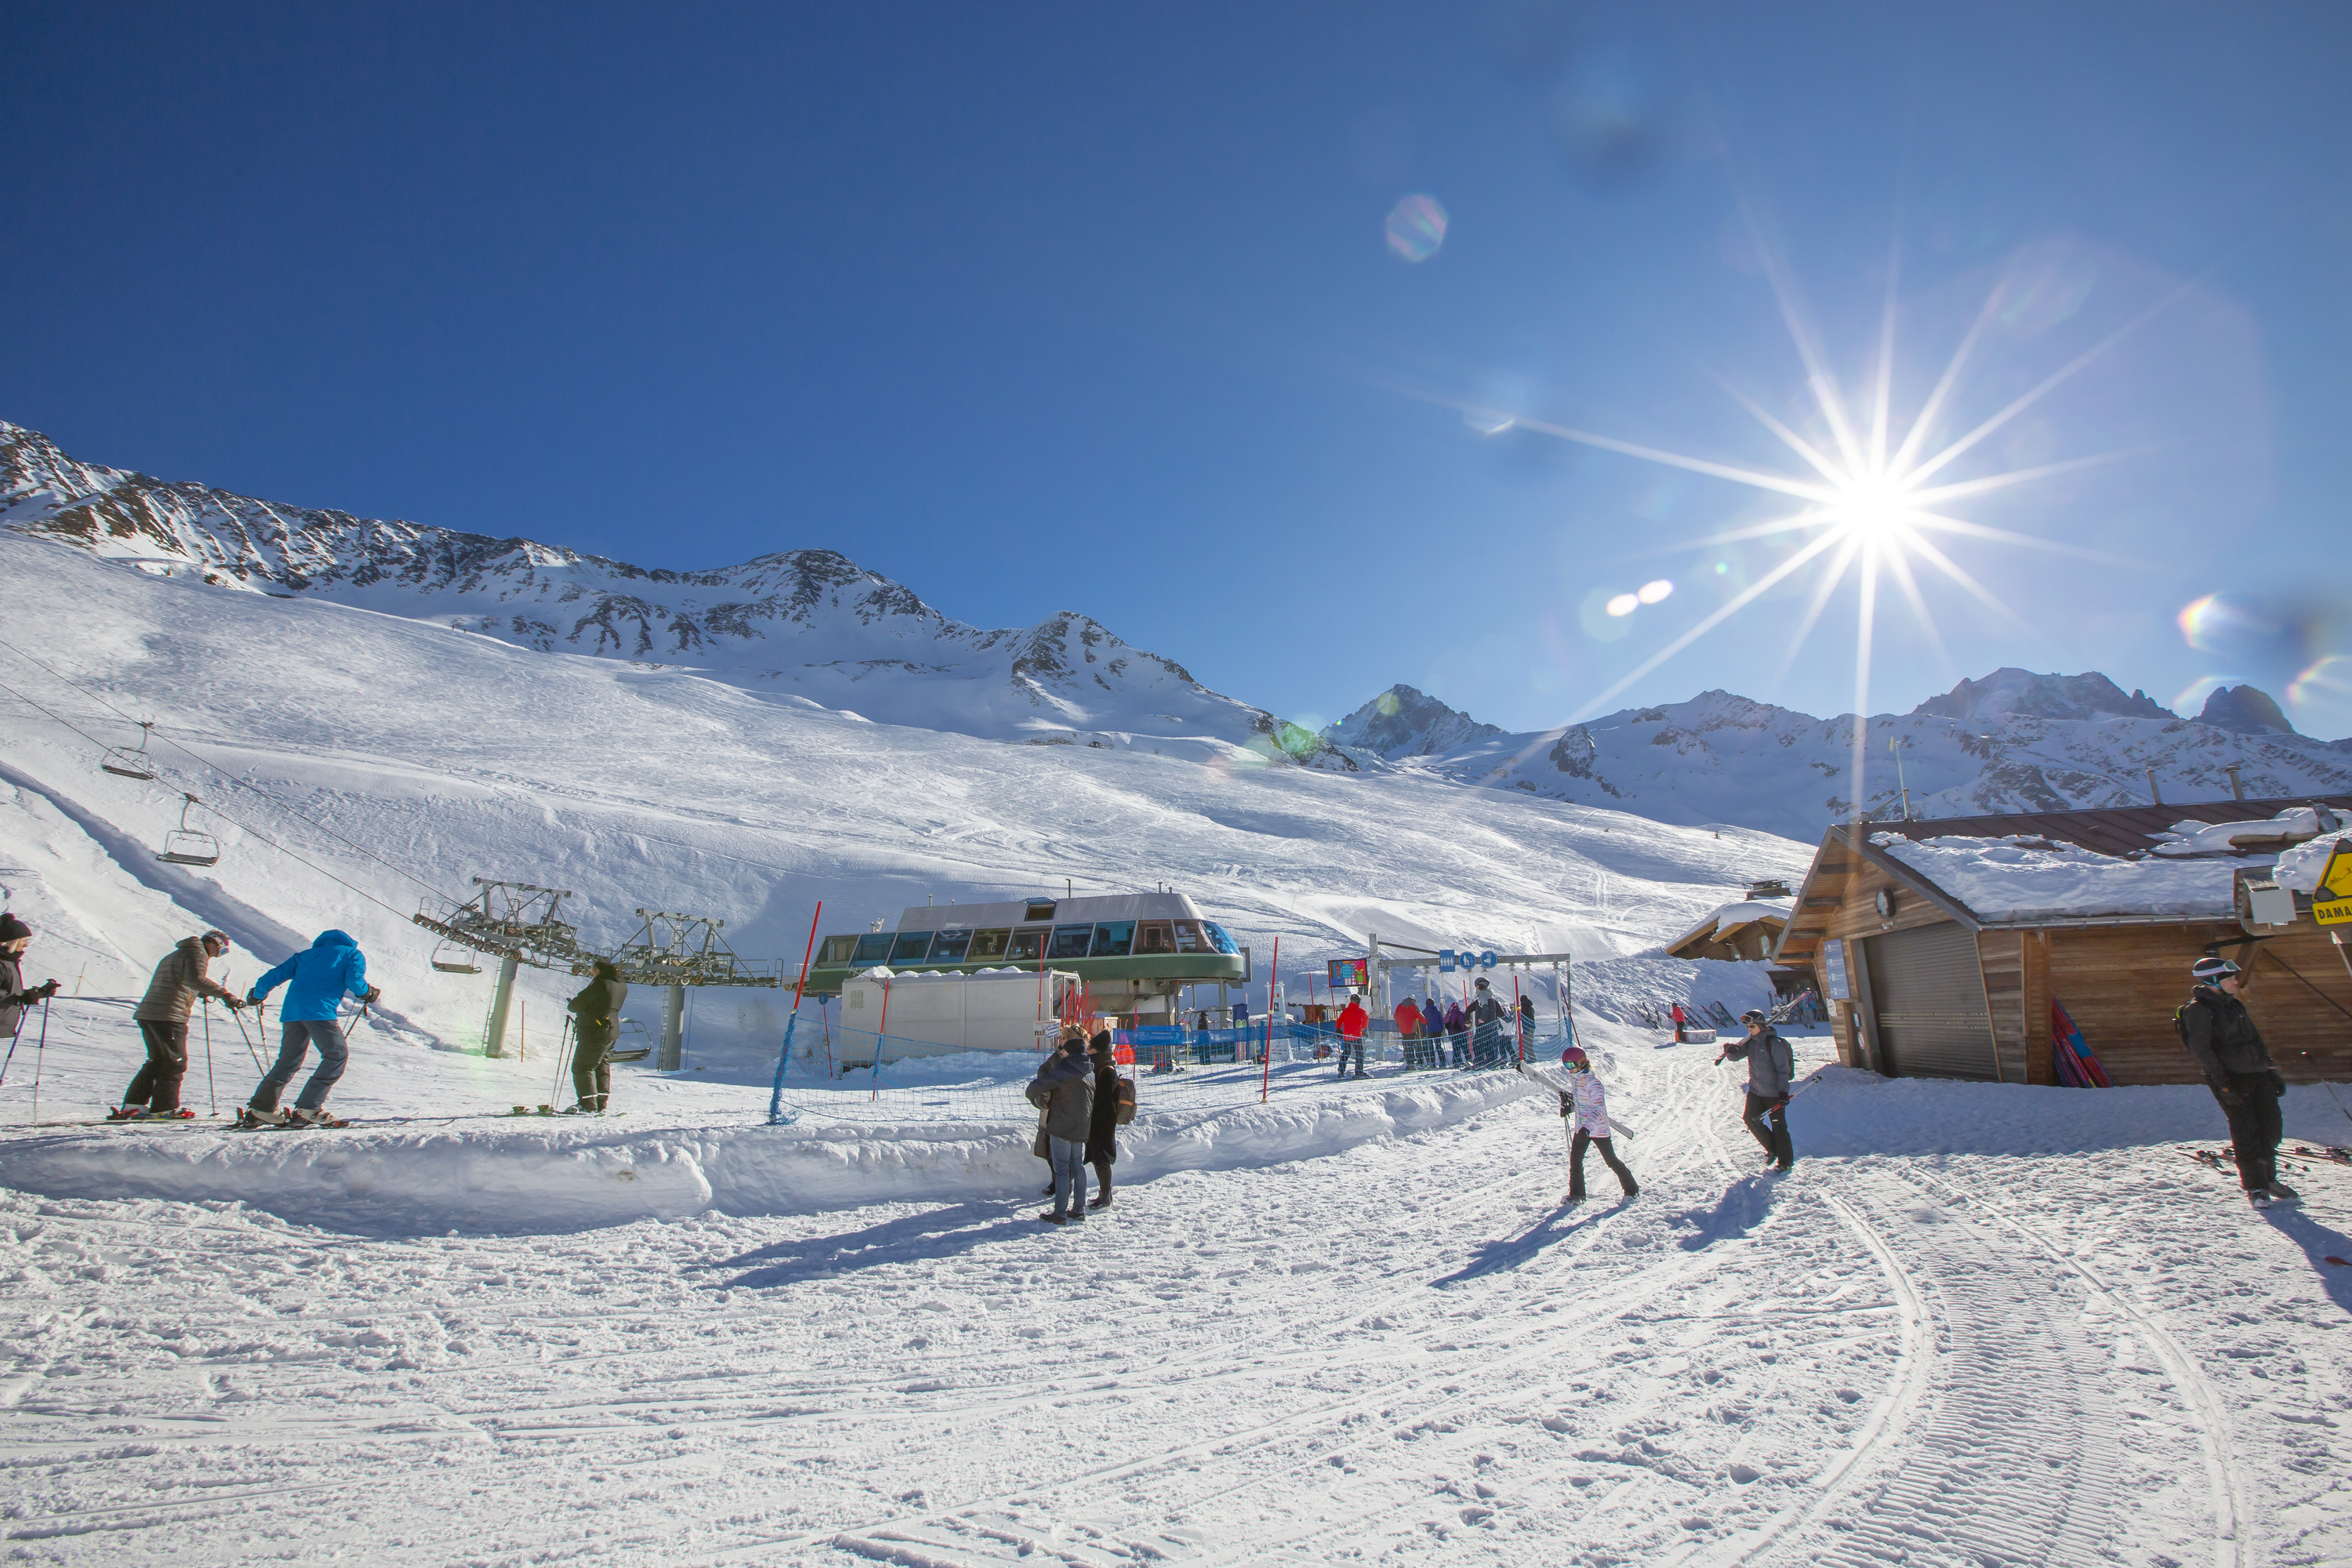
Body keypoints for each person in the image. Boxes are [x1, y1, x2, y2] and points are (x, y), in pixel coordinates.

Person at [2180, 956, 2295, 1205]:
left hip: (2258, 1075)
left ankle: (2268, 1178)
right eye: (2229, 977)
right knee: (2246, 1133)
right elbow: (2202, 1051)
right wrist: (2224, 1085)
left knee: (2272, 1129)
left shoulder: (2234, 1005)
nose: (2235, 980)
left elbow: (2256, 1041)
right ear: (2213, 981)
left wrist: (2270, 1070)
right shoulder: (2198, 1010)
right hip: (2232, 1079)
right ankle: (2256, 1188)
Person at [239, 930, 378, 1127]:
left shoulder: (304, 956)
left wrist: (258, 995)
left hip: (292, 1012)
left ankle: (262, 1108)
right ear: (349, 942)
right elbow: (355, 982)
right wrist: (368, 993)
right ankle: (309, 1108)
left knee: (288, 1061)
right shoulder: (351, 954)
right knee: (336, 1055)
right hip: (320, 1011)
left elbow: (271, 977)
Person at [112, 930, 244, 1120]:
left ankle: (134, 1105)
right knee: (175, 1062)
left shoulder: (180, 952)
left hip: (151, 1013)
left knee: (158, 1061)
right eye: (222, 951)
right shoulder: (197, 953)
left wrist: (198, 991)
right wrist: (224, 994)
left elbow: (180, 979)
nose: (217, 955)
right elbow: (195, 979)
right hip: (168, 1015)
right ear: (214, 943)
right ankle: (164, 1108)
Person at [1026, 1032, 1096, 1224]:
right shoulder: (1090, 1073)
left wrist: (1030, 1093)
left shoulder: (1065, 1069)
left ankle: (1059, 1213)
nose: (1061, 1053)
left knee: (1062, 1170)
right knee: (1078, 1167)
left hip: (1062, 1127)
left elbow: (1039, 1085)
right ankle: (1079, 1210)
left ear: (1071, 1052)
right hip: (1082, 1127)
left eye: (1064, 1050)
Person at [1557, 1046, 1638, 1202]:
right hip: (1581, 1129)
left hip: (1597, 1130)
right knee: (1575, 1162)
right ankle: (1577, 1195)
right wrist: (1570, 1108)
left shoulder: (1593, 1083)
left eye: (1571, 1066)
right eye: (1566, 1066)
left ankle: (1632, 1190)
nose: (1569, 1070)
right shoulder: (1576, 1080)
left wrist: (1587, 1128)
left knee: (1611, 1161)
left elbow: (1598, 1108)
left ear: (1581, 1063)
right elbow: (1582, 1104)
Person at [1720, 1008, 1795, 1171]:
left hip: (1774, 1093)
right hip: (1755, 1091)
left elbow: (1783, 1070)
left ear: (1761, 1025)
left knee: (1779, 1127)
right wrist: (1730, 1051)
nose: (1749, 1030)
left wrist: (1783, 1092)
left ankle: (1786, 1162)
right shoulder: (1751, 1042)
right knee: (1750, 1119)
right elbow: (1737, 1056)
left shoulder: (1774, 1044)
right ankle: (1773, 1149)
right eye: (1747, 1028)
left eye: (1752, 1027)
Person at [564, 960, 629, 1114]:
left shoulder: (600, 984)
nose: (591, 974)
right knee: (601, 1065)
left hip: (595, 1030)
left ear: (598, 970)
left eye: (592, 971)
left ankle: (587, 1104)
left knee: (582, 1066)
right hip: (611, 1030)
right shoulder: (621, 985)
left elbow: (577, 1005)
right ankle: (601, 1103)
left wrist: (575, 1003)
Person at [0, 916, 61, 1059]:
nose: (26, 945)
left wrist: (39, 993)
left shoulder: (9, 963)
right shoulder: (2, 964)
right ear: (11, 941)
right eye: (23, 941)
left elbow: (9, 993)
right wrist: (20, 999)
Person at [1086, 1032, 1122, 1209]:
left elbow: (1105, 1102)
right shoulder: (1102, 1067)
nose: (1088, 1051)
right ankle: (1104, 1194)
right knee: (1098, 1157)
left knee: (1102, 1159)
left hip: (1103, 1123)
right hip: (1099, 1121)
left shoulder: (1106, 1071)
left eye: (1091, 1048)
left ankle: (1106, 1196)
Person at [1468, 978, 1507, 1068]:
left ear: (1481, 985)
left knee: (1477, 1042)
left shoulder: (1483, 994)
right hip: (1491, 1024)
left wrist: (1483, 1018)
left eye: (1476, 984)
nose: (1476, 987)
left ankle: (1479, 1062)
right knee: (1489, 1043)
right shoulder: (1491, 995)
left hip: (1484, 1025)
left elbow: (1485, 1006)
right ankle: (1491, 1061)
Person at [1335, 993, 1369, 1078]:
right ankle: (1359, 1071)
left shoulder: (1346, 1011)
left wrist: (1338, 1029)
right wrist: (1361, 1029)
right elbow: (1365, 1022)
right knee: (1359, 1053)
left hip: (1347, 1036)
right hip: (1356, 1035)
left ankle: (1341, 1071)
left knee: (1346, 1053)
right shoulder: (1362, 1011)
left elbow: (1339, 1020)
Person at [1393, 996, 1424, 1070]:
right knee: (1411, 1046)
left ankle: (1408, 1062)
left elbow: (1395, 1016)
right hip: (1411, 1030)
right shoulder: (1414, 1007)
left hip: (1403, 1030)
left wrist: (1399, 1024)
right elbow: (1421, 1017)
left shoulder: (1400, 1006)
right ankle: (1411, 1064)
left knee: (1406, 1046)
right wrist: (1425, 1021)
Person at [1444, 998, 1469, 1068]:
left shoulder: (1450, 1014)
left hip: (1453, 1034)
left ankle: (1457, 1063)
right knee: (1465, 1049)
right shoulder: (1462, 1013)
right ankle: (1469, 1061)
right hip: (1463, 1033)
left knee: (1456, 1049)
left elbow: (1445, 1021)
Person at [1517, 995, 1537, 1060]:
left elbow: (1522, 1017)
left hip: (1528, 1028)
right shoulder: (1530, 1007)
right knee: (1522, 1043)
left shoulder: (1525, 1007)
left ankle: (1532, 1059)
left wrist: (1517, 1009)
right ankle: (1523, 1058)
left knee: (1526, 1045)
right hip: (1530, 1028)